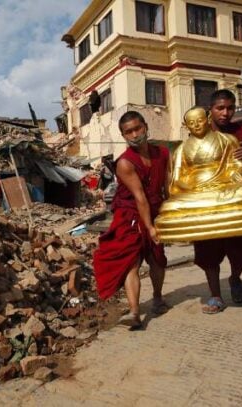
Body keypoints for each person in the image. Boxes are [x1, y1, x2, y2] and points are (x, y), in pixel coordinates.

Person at [93, 111, 170, 329]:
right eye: (129, 132)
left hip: (156, 210)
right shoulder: (125, 163)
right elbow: (140, 197)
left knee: (157, 259)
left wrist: (169, 214)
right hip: (131, 216)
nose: (135, 134)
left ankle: (157, 297)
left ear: (145, 126)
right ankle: (135, 311)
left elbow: (167, 185)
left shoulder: (163, 153)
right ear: (123, 136)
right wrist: (149, 227)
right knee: (131, 263)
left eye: (138, 128)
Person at [192, 90, 242, 313]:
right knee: (209, 252)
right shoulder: (199, 134)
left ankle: (235, 278)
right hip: (209, 203)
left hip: (237, 202)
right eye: (220, 108)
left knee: (241, 252)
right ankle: (215, 296)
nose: (225, 113)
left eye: (230, 108)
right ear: (210, 110)